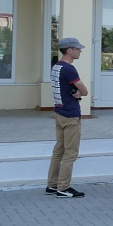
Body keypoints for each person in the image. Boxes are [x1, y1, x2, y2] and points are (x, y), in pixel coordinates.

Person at [46, 37, 88, 198]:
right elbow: (84, 91)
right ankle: (63, 187)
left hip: (59, 112)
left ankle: (52, 184)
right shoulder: (69, 69)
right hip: (70, 114)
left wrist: (75, 92)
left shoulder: (56, 67)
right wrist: (78, 93)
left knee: (59, 150)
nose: (80, 51)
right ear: (69, 50)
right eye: (77, 49)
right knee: (70, 152)